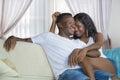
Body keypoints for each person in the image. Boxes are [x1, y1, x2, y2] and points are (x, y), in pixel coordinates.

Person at [3, 12, 119, 80]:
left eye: (75, 24)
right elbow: (26, 40)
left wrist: (82, 50)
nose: (74, 26)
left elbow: (97, 53)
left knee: (112, 77)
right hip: (65, 72)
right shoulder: (48, 37)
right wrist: (13, 37)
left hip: (85, 69)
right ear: (60, 25)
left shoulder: (76, 42)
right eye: (71, 24)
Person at [50, 12, 120, 80]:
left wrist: (84, 50)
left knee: (81, 57)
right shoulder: (74, 40)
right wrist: (54, 22)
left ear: (86, 25)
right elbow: (51, 39)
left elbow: (98, 45)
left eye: (78, 26)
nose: (75, 29)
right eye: (74, 26)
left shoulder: (96, 35)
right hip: (90, 68)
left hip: (105, 64)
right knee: (81, 59)